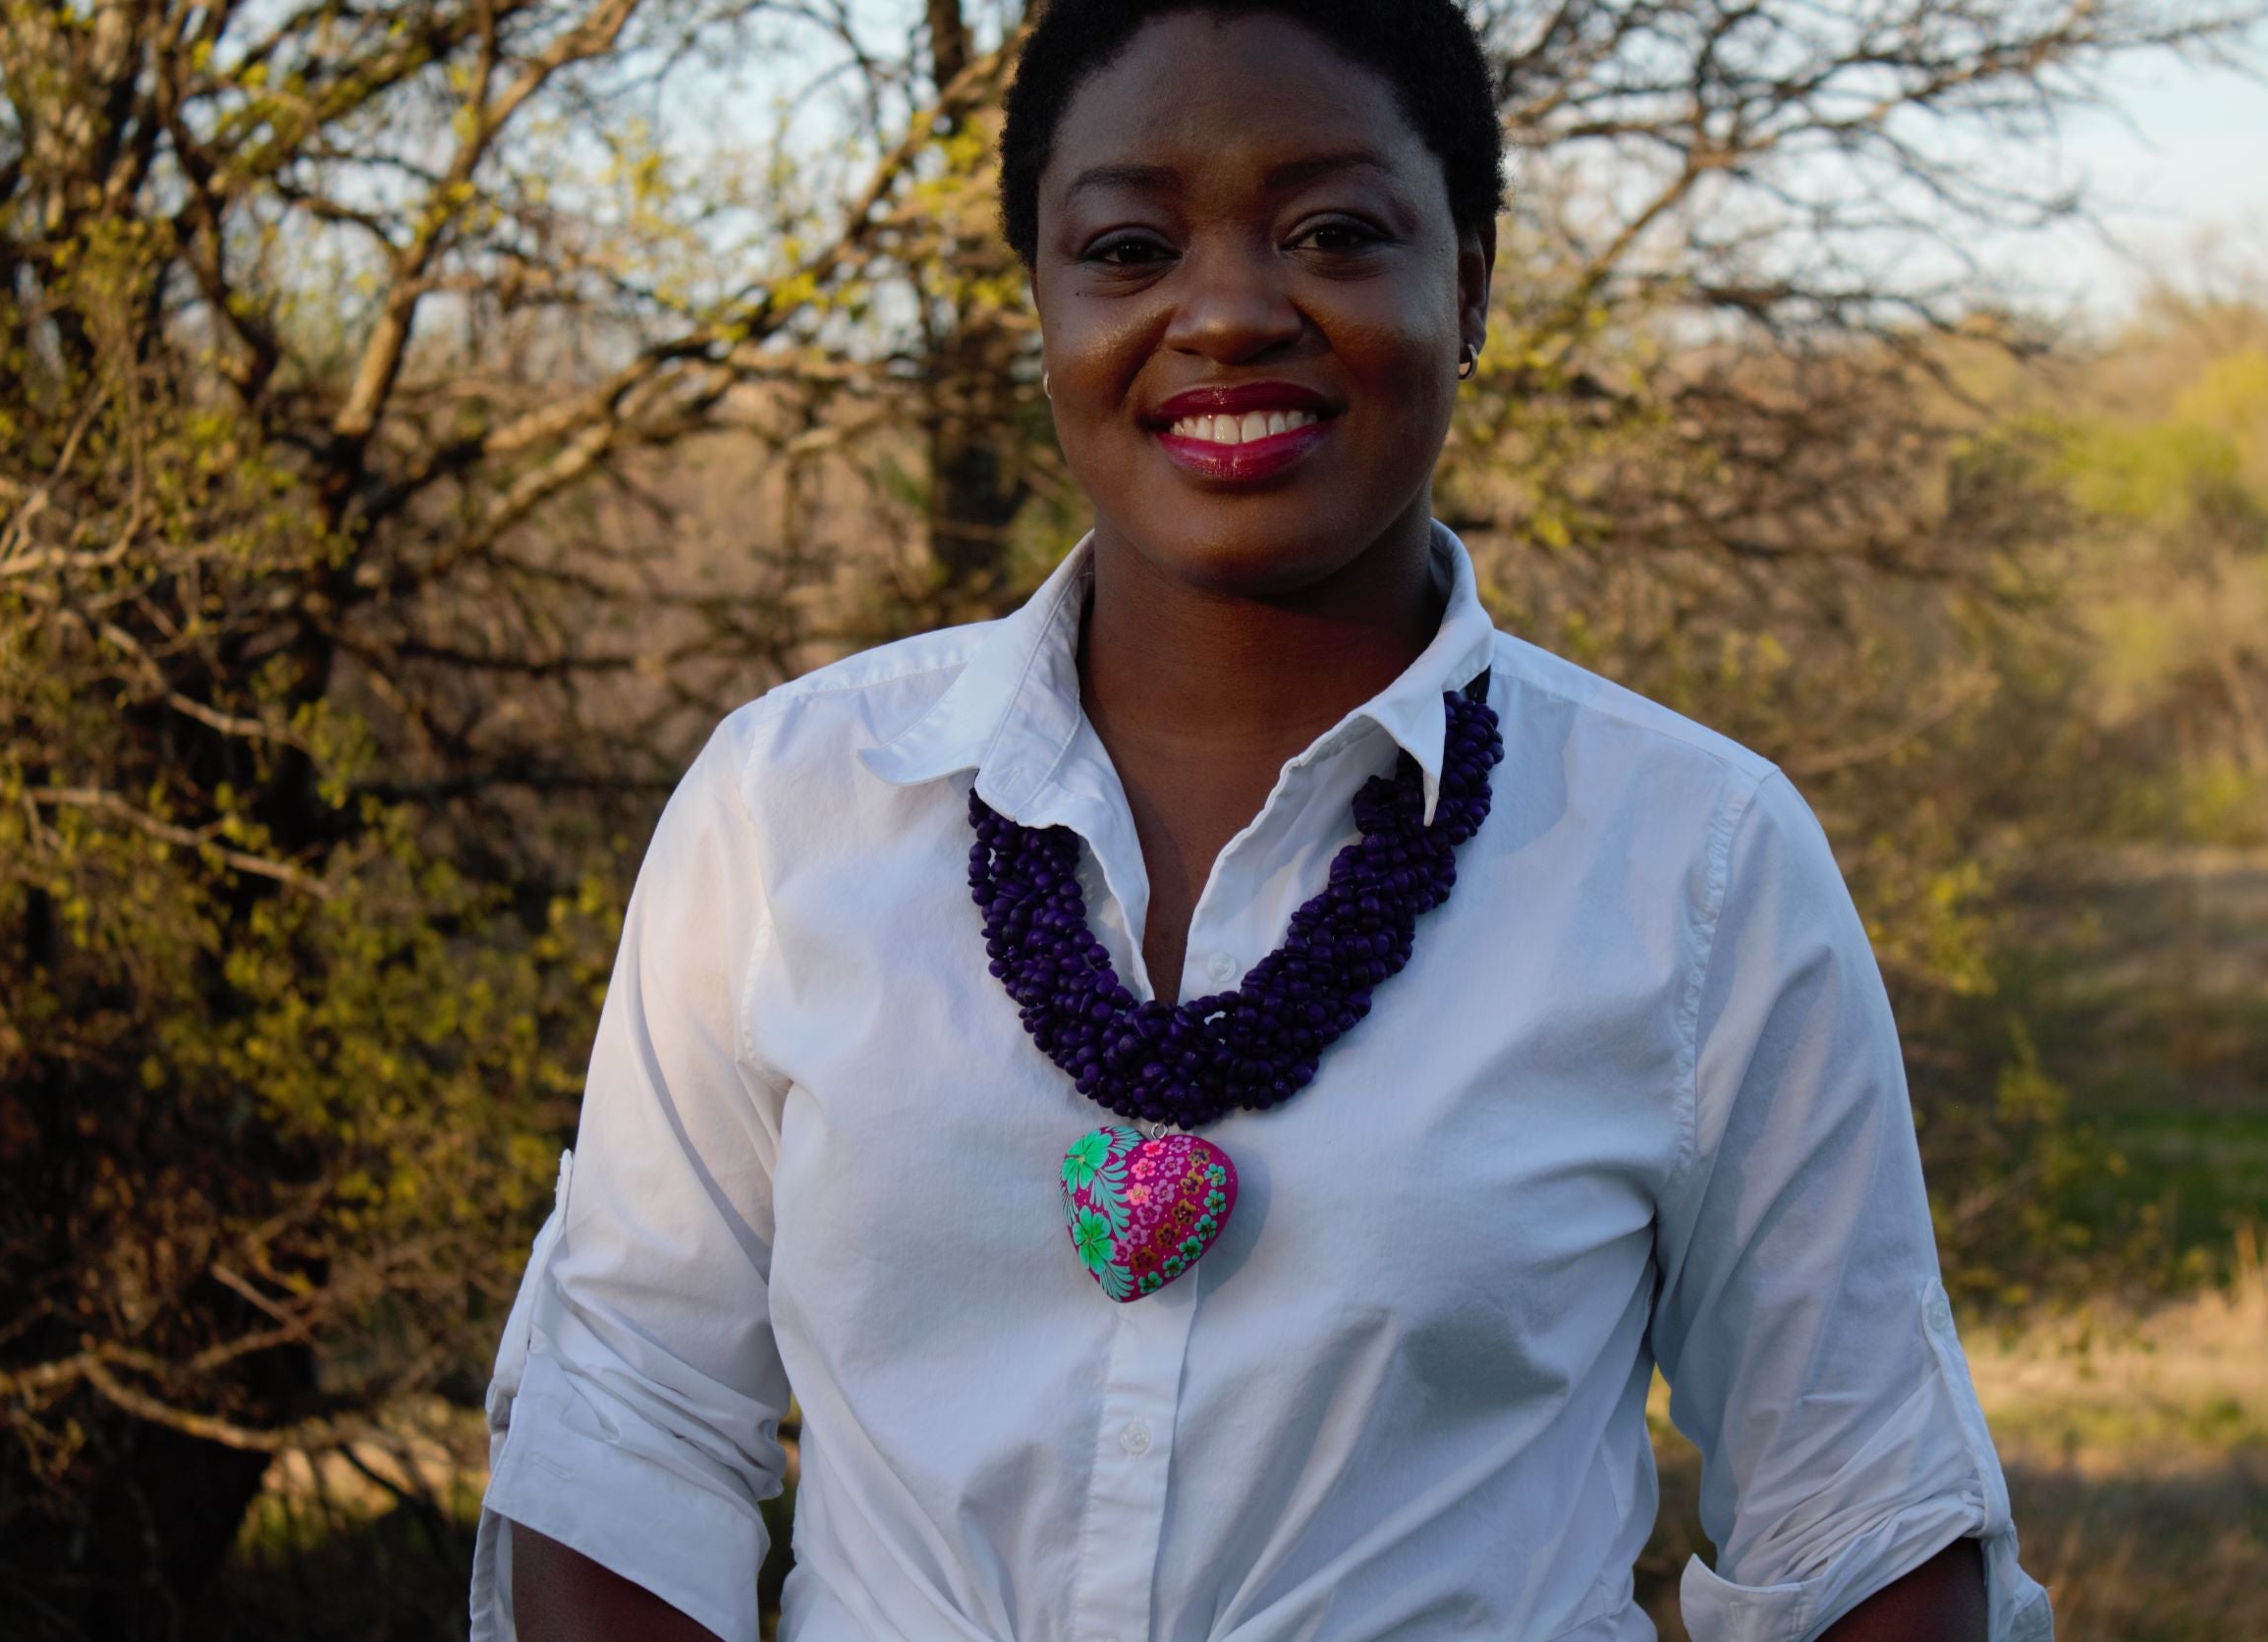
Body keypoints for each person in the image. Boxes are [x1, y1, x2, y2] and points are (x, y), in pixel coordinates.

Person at [470, 3, 2054, 1638]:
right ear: (1042, 302)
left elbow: (1864, 1523)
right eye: (1131, 245)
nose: (1224, 311)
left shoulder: (1698, 863)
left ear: (1475, 281)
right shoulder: (789, 805)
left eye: (1335, 232)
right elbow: (624, 1436)